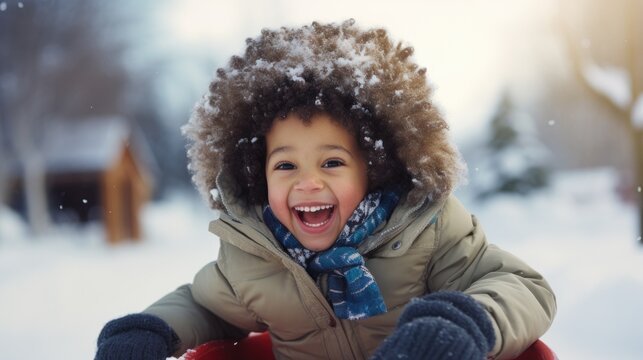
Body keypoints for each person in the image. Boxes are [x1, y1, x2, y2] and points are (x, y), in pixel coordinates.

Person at [95, 20, 556, 360]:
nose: (307, 181)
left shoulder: (425, 231)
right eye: (286, 164)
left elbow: (523, 287)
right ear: (257, 174)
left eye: (332, 162)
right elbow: (202, 304)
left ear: (374, 168)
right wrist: (149, 329)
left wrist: (458, 324)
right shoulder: (256, 255)